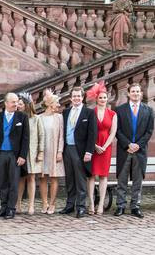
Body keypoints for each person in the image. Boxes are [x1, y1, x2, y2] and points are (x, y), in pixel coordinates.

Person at [114, 83, 154, 218]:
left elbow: (149, 131)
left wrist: (138, 145)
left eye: (138, 91)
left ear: (141, 94)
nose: (136, 93)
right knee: (122, 179)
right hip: (124, 150)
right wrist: (128, 144)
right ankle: (120, 205)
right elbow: (117, 130)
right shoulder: (120, 110)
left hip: (140, 151)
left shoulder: (148, 111)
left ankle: (135, 206)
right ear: (129, 93)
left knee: (138, 180)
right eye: (133, 91)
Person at [0, 93, 29, 220]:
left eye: (16, 102)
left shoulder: (22, 117)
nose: (16, 104)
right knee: (3, 182)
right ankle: (3, 207)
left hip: (14, 155)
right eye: (13, 102)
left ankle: (11, 209)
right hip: (1, 154)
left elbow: (26, 138)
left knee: (14, 183)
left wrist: (22, 155)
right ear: (6, 103)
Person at [59, 87, 97, 218]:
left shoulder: (89, 113)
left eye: (78, 96)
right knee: (69, 178)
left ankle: (81, 206)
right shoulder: (65, 112)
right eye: (74, 96)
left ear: (83, 97)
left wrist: (89, 152)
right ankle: (70, 205)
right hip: (67, 148)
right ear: (71, 98)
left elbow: (92, 134)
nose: (76, 98)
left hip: (80, 150)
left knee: (80, 179)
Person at [86, 82, 117, 215]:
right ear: (96, 99)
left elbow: (113, 132)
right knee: (91, 176)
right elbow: (87, 132)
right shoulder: (90, 113)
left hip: (106, 147)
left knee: (103, 176)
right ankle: (92, 204)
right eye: (100, 98)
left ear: (107, 99)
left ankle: (101, 205)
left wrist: (104, 146)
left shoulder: (112, 114)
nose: (103, 100)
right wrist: (94, 145)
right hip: (92, 145)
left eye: (105, 98)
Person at [16, 92, 44, 215]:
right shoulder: (16, 118)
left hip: (32, 152)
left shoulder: (36, 119)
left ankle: (31, 205)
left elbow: (41, 136)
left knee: (31, 178)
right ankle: (18, 204)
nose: (18, 106)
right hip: (20, 152)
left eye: (20, 104)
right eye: (17, 104)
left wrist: (40, 152)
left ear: (27, 105)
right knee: (21, 178)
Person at [39, 89, 64, 214]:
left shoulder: (59, 117)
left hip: (54, 151)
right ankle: (44, 203)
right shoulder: (40, 118)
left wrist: (60, 151)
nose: (58, 105)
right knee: (43, 177)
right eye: (56, 102)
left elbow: (61, 136)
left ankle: (53, 203)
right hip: (43, 151)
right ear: (49, 104)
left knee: (54, 177)